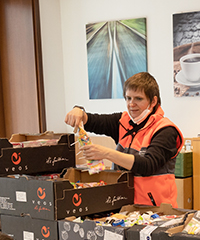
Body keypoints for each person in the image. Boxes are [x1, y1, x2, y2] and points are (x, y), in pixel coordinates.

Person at [64, 72, 183, 207]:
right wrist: (78, 111)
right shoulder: (122, 122)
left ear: (153, 101)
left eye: (138, 99)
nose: (131, 104)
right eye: (128, 98)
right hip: (123, 207)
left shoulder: (166, 130)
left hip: (156, 210)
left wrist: (106, 153)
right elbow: (92, 120)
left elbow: (147, 165)